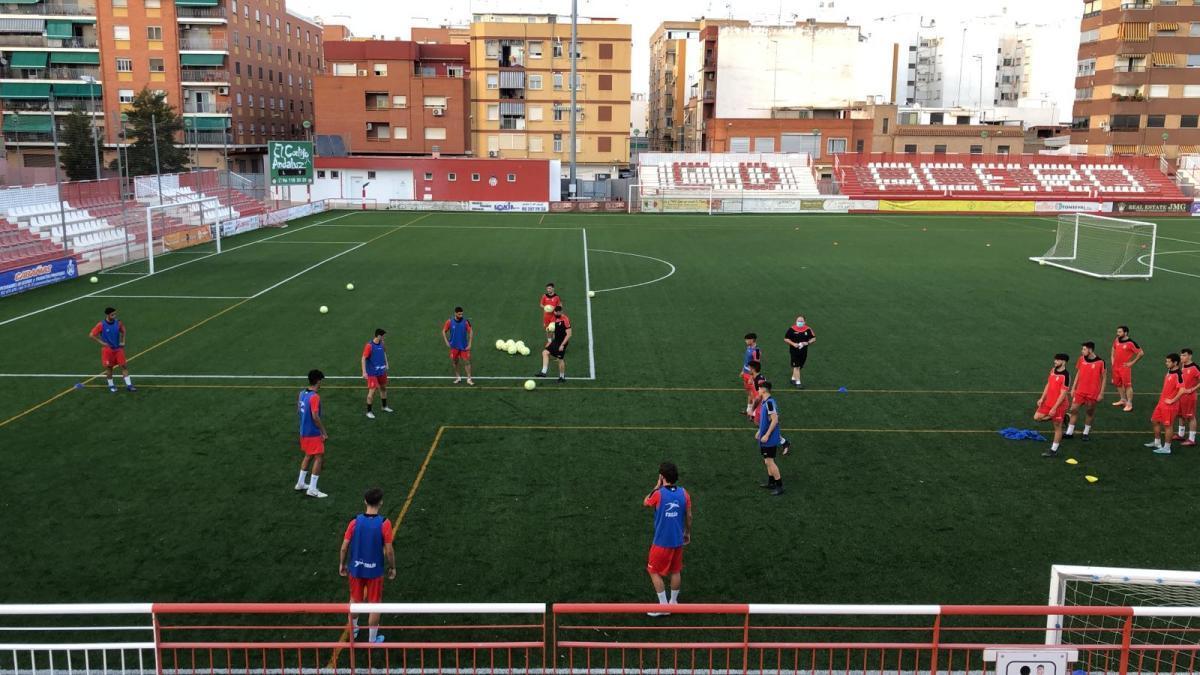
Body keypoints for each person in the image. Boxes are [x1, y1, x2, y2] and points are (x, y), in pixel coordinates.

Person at [339, 487, 396, 644]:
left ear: (365, 501)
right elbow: (389, 550)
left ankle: (354, 630)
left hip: (356, 569)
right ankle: (372, 640)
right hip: (375, 571)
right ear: (381, 503)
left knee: (354, 600)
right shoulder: (385, 523)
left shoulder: (354, 522)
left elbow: (344, 547)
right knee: (374, 603)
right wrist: (392, 567)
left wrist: (342, 564)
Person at [642, 461, 691, 617]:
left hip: (661, 542)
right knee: (676, 570)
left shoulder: (658, 493)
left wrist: (657, 485)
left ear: (662, 476)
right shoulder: (684, 493)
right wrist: (687, 532)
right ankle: (673, 602)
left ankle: (663, 606)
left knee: (653, 570)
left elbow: (646, 502)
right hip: (677, 541)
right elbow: (689, 516)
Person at [295, 369, 329, 498]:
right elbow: (315, 416)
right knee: (319, 457)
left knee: (308, 455)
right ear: (318, 381)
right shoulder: (315, 397)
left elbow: (299, 410)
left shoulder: (302, 393)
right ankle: (312, 489)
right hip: (313, 433)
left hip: (303, 431)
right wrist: (323, 432)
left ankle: (300, 483)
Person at [1065, 342, 1106, 442]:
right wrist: (1074, 387)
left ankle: (1086, 433)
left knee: (1089, 412)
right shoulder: (1081, 359)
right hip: (1080, 391)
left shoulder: (1100, 362)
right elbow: (1078, 372)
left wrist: (1101, 393)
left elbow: (1104, 378)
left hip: (1092, 393)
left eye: (1084, 349)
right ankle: (1069, 432)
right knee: (1073, 409)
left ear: (1090, 350)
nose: (1082, 351)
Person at [88, 307, 136, 393]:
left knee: (124, 366)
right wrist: (102, 343)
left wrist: (123, 341)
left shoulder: (118, 323)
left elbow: (123, 331)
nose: (114, 316)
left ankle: (129, 385)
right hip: (107, 351)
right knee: (109, 368)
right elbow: (91, 335)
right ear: (107, 315)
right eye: (112, 314)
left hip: (118, 349)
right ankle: (111, 385)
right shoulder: (101, 325)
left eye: (115, 314)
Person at [754, 381, 790, 496]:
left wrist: (767, 435)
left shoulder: (769, 403)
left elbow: (775, 419)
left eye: (759, 388)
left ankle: (779, 486)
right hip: (765, 437)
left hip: (769, 439)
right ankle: (771, 482)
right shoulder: (765, 402)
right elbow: (767, 420)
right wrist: (760, 431)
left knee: (770, 461)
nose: (758, 390)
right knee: (766, 461)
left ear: (764, 390)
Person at [1145, 353, 1184, 455]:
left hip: (1170, 406)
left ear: (1175, 363)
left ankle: (1167, 448)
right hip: (1162, 403)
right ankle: (1157, 443)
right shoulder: (1170, 371)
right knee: (1154, 420)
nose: (1166, 363)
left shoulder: (1178, 374)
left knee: (1168, 426)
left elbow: (1182, 390)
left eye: (1168, 361)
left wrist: (1173, 400)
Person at [1035, 353, 1071, 458]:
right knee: (1037, 417)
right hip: (1048, 402)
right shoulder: (1053, 370)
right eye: (1055, 360)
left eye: (1057, 360)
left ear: (1063, 362)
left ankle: (1053, 450)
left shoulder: (1066, 376)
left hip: (1059, 405)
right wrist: (1042, 398)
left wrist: (1054, 408)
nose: (1055, 361)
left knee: (1057, 427)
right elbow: (1048, 384)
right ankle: (1064, 417)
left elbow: (1063, 394)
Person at [1110, 325, 1144, 412]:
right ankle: (1123, 400)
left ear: (1125, 333)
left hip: (1125, 367)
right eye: (1117, 332)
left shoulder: (1131, 343)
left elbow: (1141, 353)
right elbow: (1113, 349)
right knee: (1118, 384)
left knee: (1127, 385)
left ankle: (1129, 404)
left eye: (1120, 332)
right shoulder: (1117, 340)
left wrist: (1132, 362)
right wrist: (1113, 361)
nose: (1118, 334)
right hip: (1116, 367)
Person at [361, 329, 393, 419]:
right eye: (383, 336)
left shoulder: (382, 343)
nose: (384, 337)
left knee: (383, 388)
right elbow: (363, 358)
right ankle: (369, 412)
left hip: (381, 371)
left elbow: (384, 352)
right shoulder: (369, 346)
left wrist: (386, 363)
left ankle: (384, 406)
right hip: (372, 373)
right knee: (372, 391)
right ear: (379, 336)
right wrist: (364, 371)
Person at [536, 305, 571, 382]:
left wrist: (562, 345)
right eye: (554, 312)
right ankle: (543, 372)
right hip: (556, 340)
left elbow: (569, 334)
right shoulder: (554, 317)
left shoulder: (565, 320)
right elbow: (552, 329)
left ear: (560, 312)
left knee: (560, 359)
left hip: (562, 342)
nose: (555, 313)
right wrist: (549, 332)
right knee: (545, 352)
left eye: (556, 312)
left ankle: (562, 377)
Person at [442, 307, 474, 386]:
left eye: (462, 314)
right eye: (459, 314)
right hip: (454, 346)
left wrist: (470, 343)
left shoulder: (465, 322)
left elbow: (471, 331)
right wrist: (446, 342)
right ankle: (458, 377)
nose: (461, 315)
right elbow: (443, 331)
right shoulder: (450, 321)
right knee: (455, 362)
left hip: (464, 346)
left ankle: (469, 379)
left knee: (467, 362)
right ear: (455, 313)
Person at [1175, 348, 1199, 447]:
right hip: (1181, 396)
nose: (1182, 357)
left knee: (1190, 417)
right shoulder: (1182, 365)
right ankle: (1181, 434)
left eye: (1184, 355)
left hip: (1189, 396)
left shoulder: (1194, 368)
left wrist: (1193, 389)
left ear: (1190, 356)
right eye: (1181, 355)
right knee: (1180, 415)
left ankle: (1191, 439)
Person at [783, 316, 816, 389]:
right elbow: (786, 339)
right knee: (797, 366)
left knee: (800, 366)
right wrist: (793, 344)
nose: (799, 322)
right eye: (798, 321)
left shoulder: (808, 329)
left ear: (804, 322)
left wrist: (807, 342)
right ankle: (798, 383)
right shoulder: (791, 329)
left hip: (804, 351)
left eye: (801, 321)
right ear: (796, 321)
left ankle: (793, 379)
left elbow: (814, 338)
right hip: (794, 351)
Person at [741, 333, 762, 416]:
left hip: (750, 375)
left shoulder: (756, 351)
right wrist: (743, 370)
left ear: (752, 340)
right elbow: (746, 361)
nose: (745, 341)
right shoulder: (748, 347)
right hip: (746, 374)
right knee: (749, 393)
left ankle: (754, 413)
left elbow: (756, 365)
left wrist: (752, 377)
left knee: (754, 394)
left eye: (747, 339)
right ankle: (748, 410)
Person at [745, 360, 766, 425]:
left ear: (753, 369)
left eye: (749, 368)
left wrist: (752, 410)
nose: (748, 370)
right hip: (758, 405)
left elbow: (759, 397)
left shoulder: (760, 380)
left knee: (760, 425)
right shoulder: (756, 377)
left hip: (761, 406)